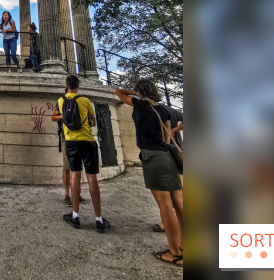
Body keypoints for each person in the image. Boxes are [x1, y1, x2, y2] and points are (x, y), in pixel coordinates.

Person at [115, 80, 183, 267]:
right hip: (168, 156)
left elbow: (118, 92)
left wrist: (136, 94)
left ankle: (175, 254)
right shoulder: (164, 110)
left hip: (153, 158)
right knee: (179, 204)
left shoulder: (139, 104)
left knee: (165, 206)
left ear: (140, 91)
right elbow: (166, 138)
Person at [51, 75, 111, 233]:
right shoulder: (84, 101)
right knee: (92, 178)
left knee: (74, 176)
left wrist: (65, 117)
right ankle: (99, 219)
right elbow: (93, 122)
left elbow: (53, 116)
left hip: (71, 142)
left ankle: (75, 216)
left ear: (66, 85)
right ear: (78, 86)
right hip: (88, 142)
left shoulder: (61, 100)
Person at [153, 103, 183, 233]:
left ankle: (168, 222)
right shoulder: (168, 109)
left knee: (172, 191)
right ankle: (168, 221)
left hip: (172, 152)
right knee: (174, 191)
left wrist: (172, 130)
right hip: (174, 151)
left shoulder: (159, 109)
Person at [51, 106, 85, 206]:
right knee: (67, 167)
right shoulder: (62, 103)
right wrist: (64, 116)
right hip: (66, 138)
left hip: (79, 137)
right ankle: (67, 195)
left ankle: (77, 193)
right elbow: (53, 117)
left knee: (77, 167)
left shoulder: (80, 102)